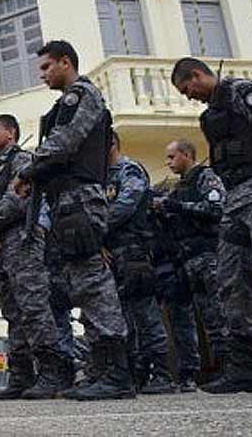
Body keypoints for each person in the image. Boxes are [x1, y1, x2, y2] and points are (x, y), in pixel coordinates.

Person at [15, 40, 132, 401]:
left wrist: (29, 169)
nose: (43, 75)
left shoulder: (82, 96)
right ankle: (102, 370)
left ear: (66, 62)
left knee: (93, 284)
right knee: (82, 285)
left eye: (48, 67)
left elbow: (66, 142)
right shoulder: (67, 101)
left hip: (80, 199)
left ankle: (117, 373)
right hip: (67, 201)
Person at [170, 57, 252, 393]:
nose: (188, 96)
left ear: (197, 75)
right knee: (229, 281)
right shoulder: (209, 116)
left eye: (187, 88)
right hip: (235, 203)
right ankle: (243, 368)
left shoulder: (244, 92)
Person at [0, 114, 72, 399]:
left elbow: (17, 199)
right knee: (12, 311)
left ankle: (51, 372)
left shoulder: (22, 162)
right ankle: (21, 374)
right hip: (0, 245)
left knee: (34, 306)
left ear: (11, 132)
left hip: (22, 240)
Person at [153, 138, 227, 386]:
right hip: (186, 261)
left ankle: (228, 369)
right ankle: (195, 373)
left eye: (172, 157)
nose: (168, 163)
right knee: (199, 318)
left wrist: (177, 206)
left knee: (217, 314)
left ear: (187, 154)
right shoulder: (179, 187)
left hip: (208, 255)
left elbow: (216, 208)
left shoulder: (206, 178)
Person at [104, 132, 173, 394]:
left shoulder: (129, 170)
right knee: (120, 316)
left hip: (134, 252)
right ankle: (135, 372)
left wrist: (98, 230)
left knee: (145, 312)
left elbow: (126, 205)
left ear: (110, 143)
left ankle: (162, 373)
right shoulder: (100, 178)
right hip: (110, 254)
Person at [150, 178, 201, 392]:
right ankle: (163, 373)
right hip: (152, 269)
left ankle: (188, 373)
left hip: (172, 268)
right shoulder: (147, 213)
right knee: (155, 324)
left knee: (181, 322)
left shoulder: (173, 213)